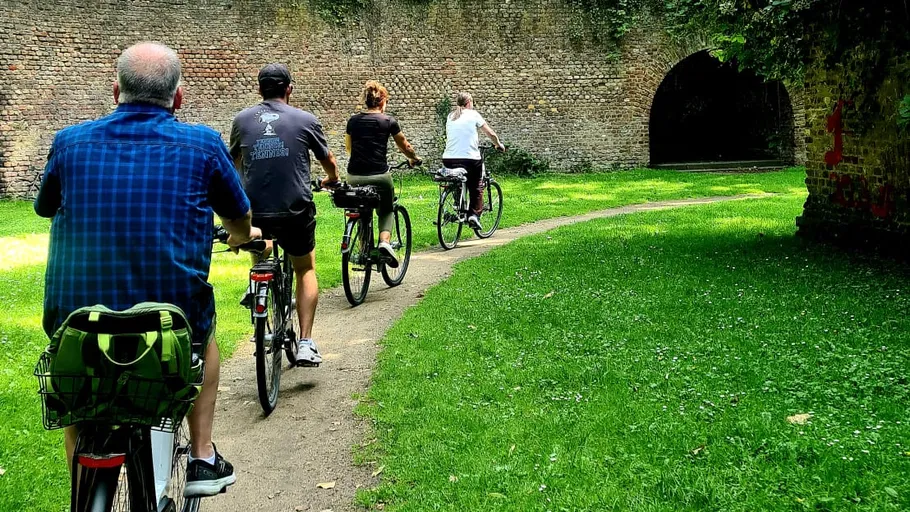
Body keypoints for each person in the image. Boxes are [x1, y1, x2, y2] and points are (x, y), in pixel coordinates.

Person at [35, 42, 255, 497]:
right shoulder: (203, 144)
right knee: (204, 333)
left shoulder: (69, 142)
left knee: (82, 397)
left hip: (78, 324)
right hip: (170, 326)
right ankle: (202, 456)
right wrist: (237, 235)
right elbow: (239, 219)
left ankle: (82, 488)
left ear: (115, 91)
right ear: (178, 99)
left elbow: (43, 208)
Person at [230, 63, 339, 366]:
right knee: (305, 268)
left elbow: (233, 161)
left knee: (260, 245)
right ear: (289, 89)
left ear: (259, 89)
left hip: (255, 211)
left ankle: (257, 284)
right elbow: (327, 159)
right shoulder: (305, 119)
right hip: (295, 209)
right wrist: (332, 178)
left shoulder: (241, 120)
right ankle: (305, 342)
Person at [344, 80, 421, 267]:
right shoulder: (388, 121)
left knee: (361, 209)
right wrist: (414, 158)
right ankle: (385, 242)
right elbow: (406, 146)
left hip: (353, 176)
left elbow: (348, 148)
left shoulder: (353, 121)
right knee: (386, 209)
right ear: (382, 101)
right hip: (380, 176)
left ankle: (363, 250)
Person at [442, 92, 505, 231]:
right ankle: (474, 215)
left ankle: (457, 202)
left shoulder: (450, 116)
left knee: (457, 179)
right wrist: (498, 144)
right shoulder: (473, 114)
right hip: (469, 158)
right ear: (469, 102)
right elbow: (491, 134)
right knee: (477, 185)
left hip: (448, 158)